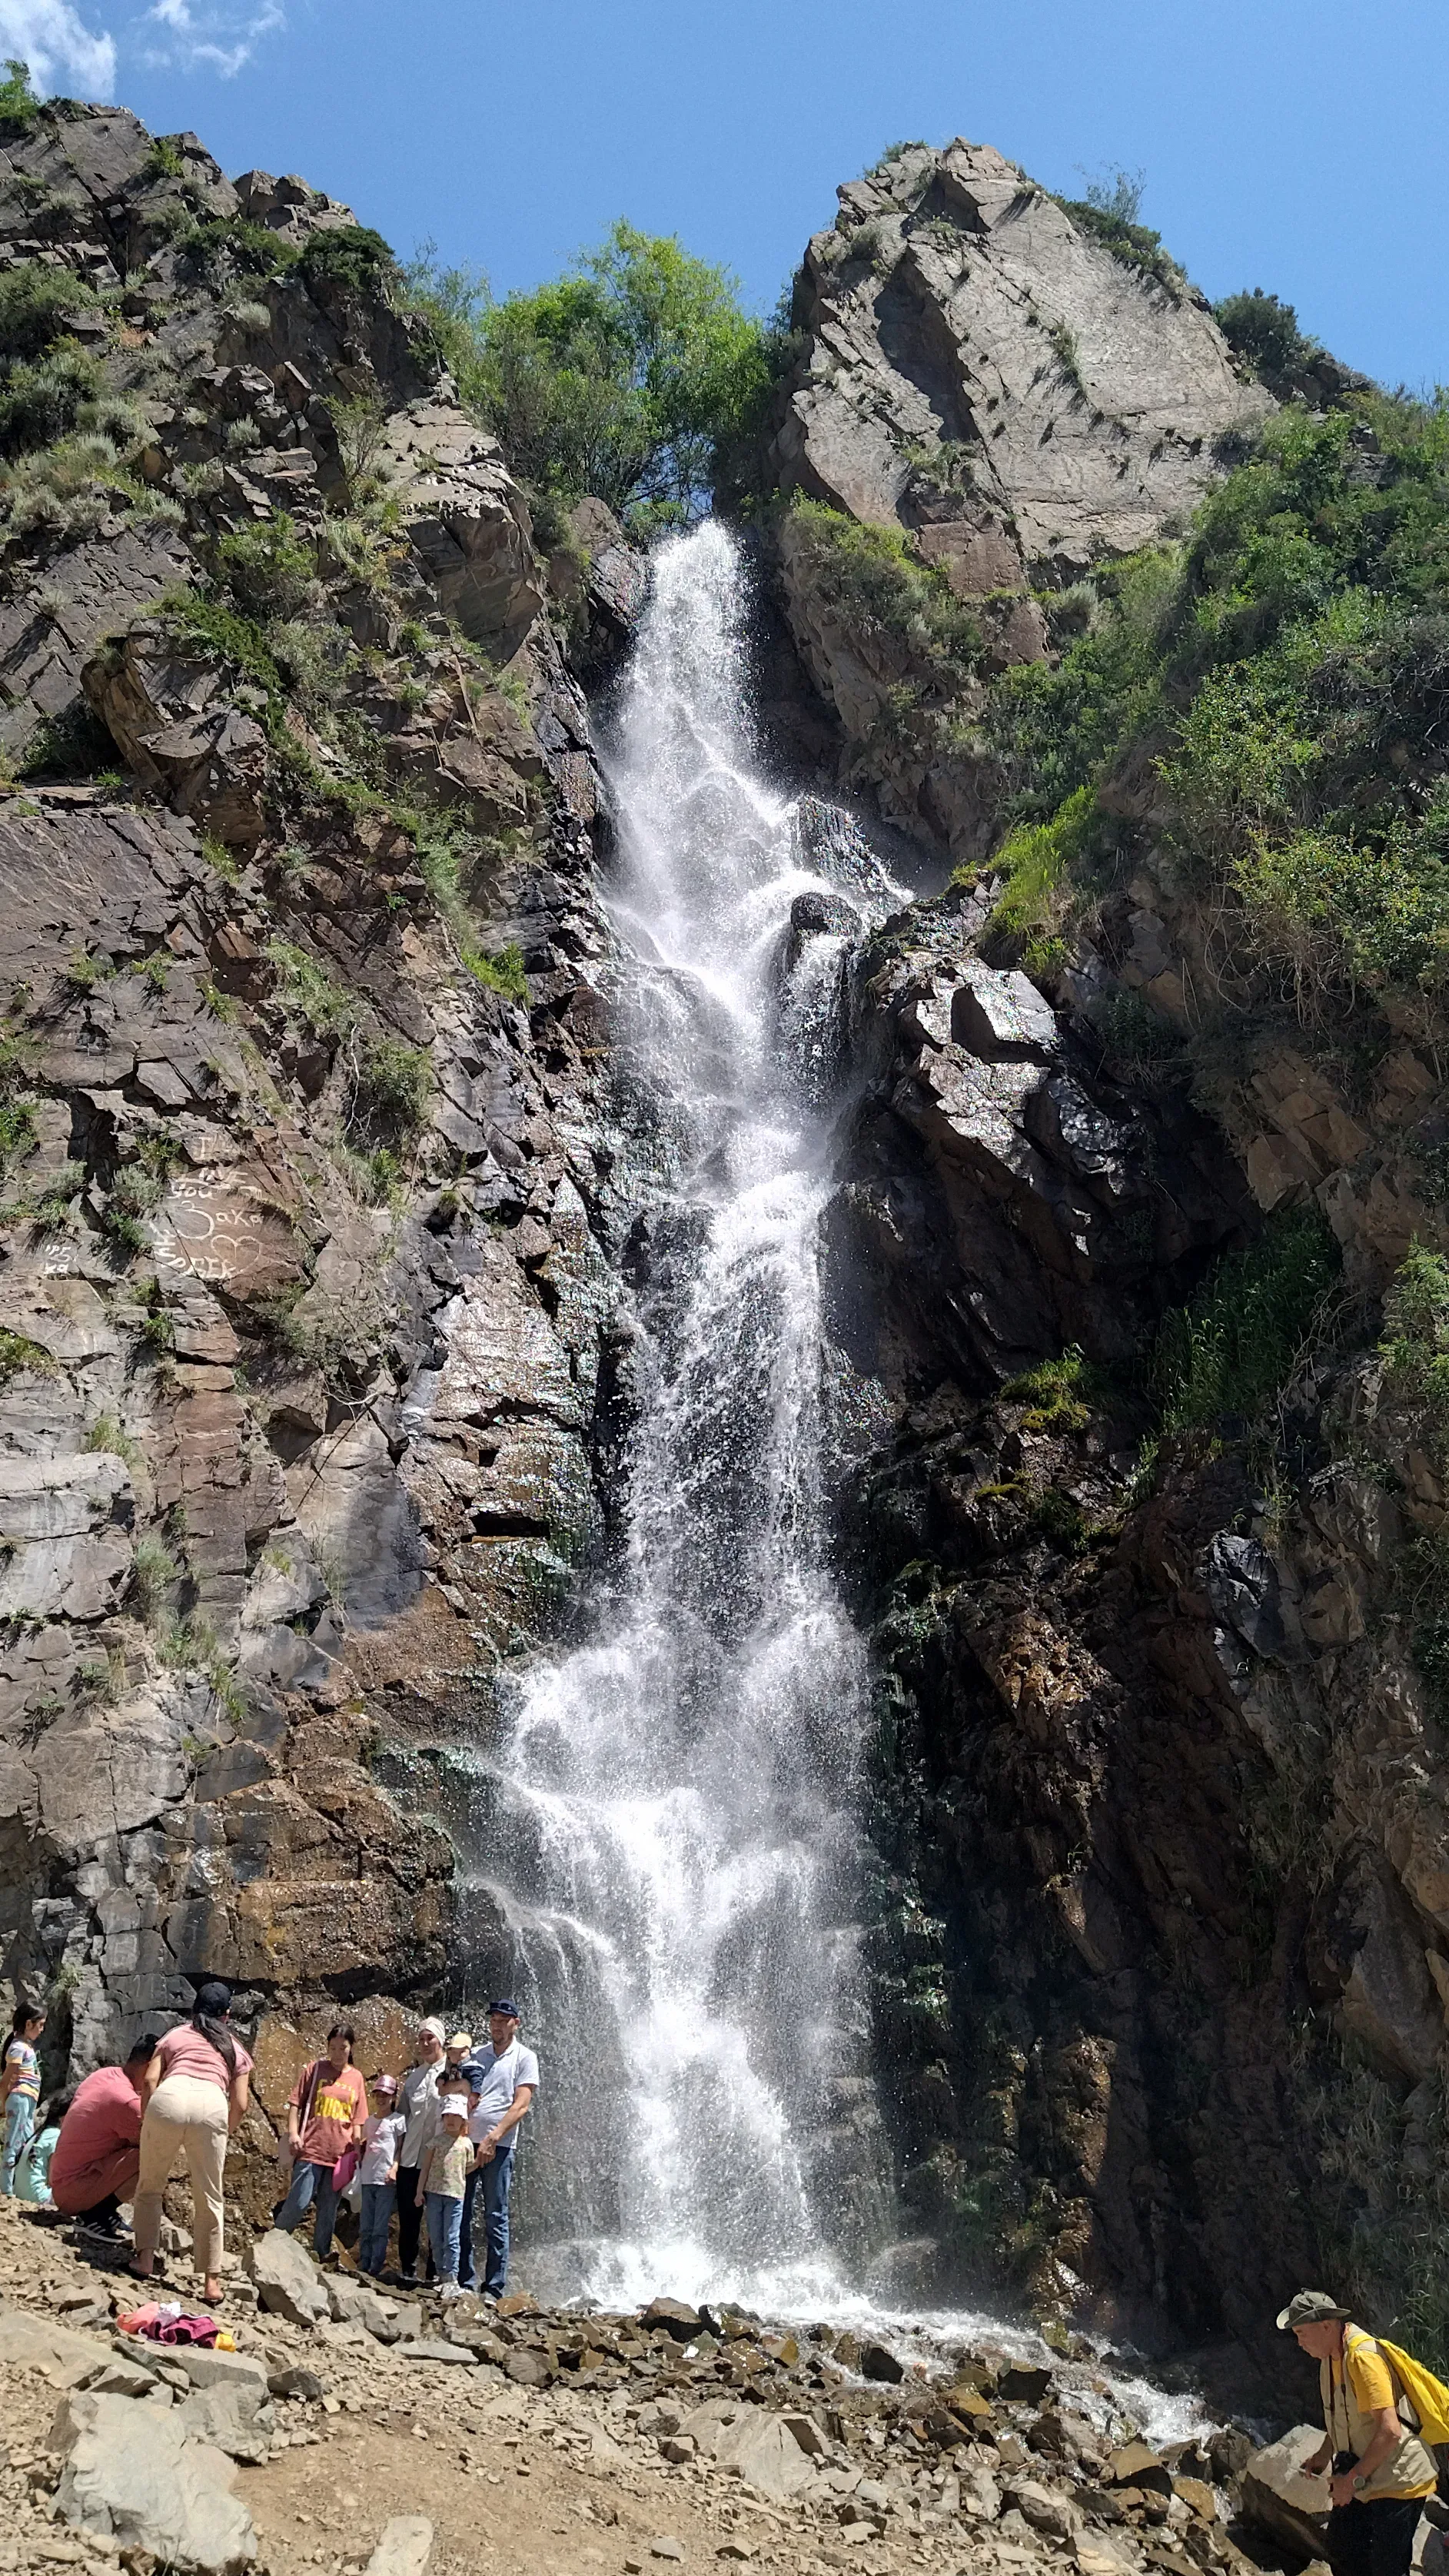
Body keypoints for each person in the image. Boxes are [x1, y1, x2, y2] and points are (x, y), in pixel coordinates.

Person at [1279, 2288, 1437, 2576]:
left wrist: (1350, 2482)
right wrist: (1323, 2454)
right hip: (1366, 2472)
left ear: (1326, 2326)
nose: (1298, 2342)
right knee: (1343, 2551)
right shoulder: (1330, 2357)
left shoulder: (1362, 2359)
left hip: (1398, 2478)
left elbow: (1390, 2431)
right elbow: (1346, 2418)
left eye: (1301, 2332)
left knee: (1386, 2568)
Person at [133, 1979, 252, 2307]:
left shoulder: (176, 2035)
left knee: (150, 2185)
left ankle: (144, 2259)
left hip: (170, 2098)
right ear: (227, 2016)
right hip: (212, 2104)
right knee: (210, 2197)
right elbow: (240, 2103)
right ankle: (211, 2282)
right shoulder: (235, 2047)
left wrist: (149, 2119)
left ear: (194, 2009)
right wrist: (222, 2131)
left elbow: (149, 2080)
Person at [459, 2000, 537, 2299]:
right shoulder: (476, 2054)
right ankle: (464, 2281)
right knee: (461, 2210)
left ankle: (493, 2287)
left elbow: (522, 2105)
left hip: (500, 2145)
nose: (497, 2025)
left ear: (515, 2023)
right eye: (493, 2019)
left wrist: (494, 2137)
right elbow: (458, 2090)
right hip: (466, 2143)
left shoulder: (525, 2057)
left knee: (495, 2213)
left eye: (503, 2020)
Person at [49, 2036, 160, 2235]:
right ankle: (95, 2215)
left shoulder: (106, 2074)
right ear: (149, 2067)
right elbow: (151, 2141)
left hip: (62, 2182)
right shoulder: (127, 2102)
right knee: (154, 2155)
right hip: (74, 2192)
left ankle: (102, 2210)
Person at [276, 2026, 367, 2263]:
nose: (337, 2054)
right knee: (300, 2200)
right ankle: (275, 2242)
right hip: (311, 2148)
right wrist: (294, 2133)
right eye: (333, 2048)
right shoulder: (315, 2069)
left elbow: (358, 2118)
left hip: (340, 2154)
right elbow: (296, 2103)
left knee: (329, 2208)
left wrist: (357, 2149)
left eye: (343, 2048)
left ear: (351, 2048)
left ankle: (321, 2254)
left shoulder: (356, 2077)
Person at [394, 2018, 447, 2286]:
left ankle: (435, 2273)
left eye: (431, 2039)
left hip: (438, 2159)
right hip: (410, 2158)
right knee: (409, 2218)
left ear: (441, 2041)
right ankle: (407, 2271)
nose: (425, 2044)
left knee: (437, 2217)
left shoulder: (453, 2073)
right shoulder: (413, 2079)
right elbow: (402, 2120)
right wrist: (395, 2159)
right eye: (422, 2039)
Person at [417, 2092, 471, 2298]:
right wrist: (418, 2192)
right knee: (436, 2236)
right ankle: (441, 2274)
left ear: (463, 2120)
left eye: (456, 2117)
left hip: (455, 2195)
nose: (451, 2120)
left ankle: (452, 2277)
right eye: (448, 2116)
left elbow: (467, 2168)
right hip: (434, 2193)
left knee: (451, 2237)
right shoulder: (435, 2142)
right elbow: (426, 2167)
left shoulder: (466, 2144)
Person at [356, 2074, 405, 2279]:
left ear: (393, 2097)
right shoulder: (369, 2121)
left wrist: (395, 2168)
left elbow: (401, 2148)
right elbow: (364, 2145)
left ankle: (376, 2264)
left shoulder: (398, 2120)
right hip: (368, 2177)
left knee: (379, 2226)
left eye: (386, 2095)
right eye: (378, 2095)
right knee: (365, 2223)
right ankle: (364, 2262)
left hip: (386, 2179)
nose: (382, 2099)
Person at [2, 2003, 45, 2197]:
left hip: (28, 2100)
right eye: (41, 2025)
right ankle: (6, 2189)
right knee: (14, 2142)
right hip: (20, 2098)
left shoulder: (26, 2047)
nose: (42, 2030)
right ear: (29, 2024)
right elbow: (7, 2079)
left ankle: (19, 2186)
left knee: (26, 2143)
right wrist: (1, 2103)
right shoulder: (18, 2048)